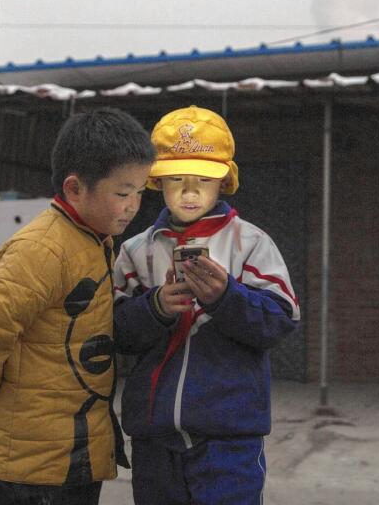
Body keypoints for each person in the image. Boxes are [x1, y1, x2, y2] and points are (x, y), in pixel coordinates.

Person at [0, 107, 155, 505]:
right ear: (75, 189)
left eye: (140, 193)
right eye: (123, 194)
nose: (134, 206)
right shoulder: (42, 250)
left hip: (70, 458)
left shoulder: (94, 240)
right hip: (28, 471)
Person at [113, 105, 300, 504]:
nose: (189, 191)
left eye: (203, 179)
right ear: (157, 182)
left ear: (224, 182)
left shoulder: (250, 243)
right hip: (153, 438)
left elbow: (280, 321)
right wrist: (156, 307)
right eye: (176, 178)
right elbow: (114, 332)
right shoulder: (135, 251)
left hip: (229, 438)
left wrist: (225, 298)